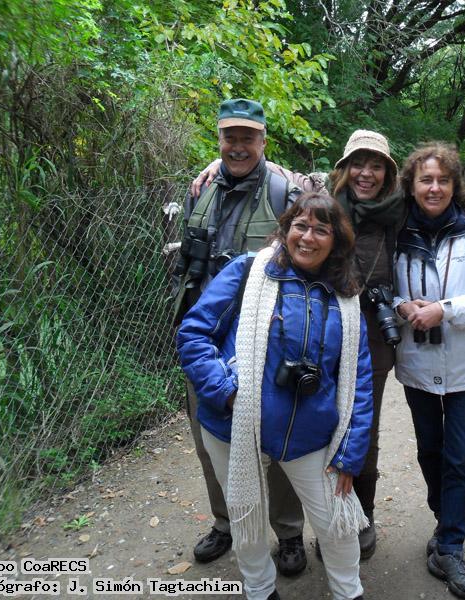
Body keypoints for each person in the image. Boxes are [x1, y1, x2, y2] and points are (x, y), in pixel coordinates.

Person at [189, 130, 465, 559]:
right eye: (358, 164)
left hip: (372, 336)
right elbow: (273, 173)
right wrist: (220, 164)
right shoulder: (323, 200)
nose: (366, 173)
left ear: (389, 173)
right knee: (307, 425)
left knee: (360, 430)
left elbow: (438, 200)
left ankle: (358, 517)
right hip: (314, 332)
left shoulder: (399, 211)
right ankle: (309, 522)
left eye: (376, 165)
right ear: (344, 168)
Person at [177, 193, 373, 600]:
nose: (308, 237)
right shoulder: (249, 272)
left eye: (321, 230)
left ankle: (348, 592)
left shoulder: (346, 299)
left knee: (336, 522)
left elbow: (359, 382)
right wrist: (227, 392)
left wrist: (350, 453)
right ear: (286, 229)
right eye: (301, 226)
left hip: (310, 432)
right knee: (247, 520)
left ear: (336, 240)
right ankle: (260, 590)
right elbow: (193, 335)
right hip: (233, 424)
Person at [171, 98, 308, 573]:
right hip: (207, 336)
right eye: (230, 137)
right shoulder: (201, 190)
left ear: (264, 140)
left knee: (278, 434)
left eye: (248, 137)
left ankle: (289, 533)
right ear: (219, 139)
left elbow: (314, 233)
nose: (238, 146)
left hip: (267, 337)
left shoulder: (285, 190)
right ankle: (225, 521)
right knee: (209, 435)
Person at [392, 142, 465, 599]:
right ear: (411, 186)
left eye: (443, 180)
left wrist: (444, 309)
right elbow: (385, 288)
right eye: (425, 180)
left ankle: (451, 545)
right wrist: (403, 306)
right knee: (429, 452)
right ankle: (444, 521)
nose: (434, 188)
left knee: (457, 457)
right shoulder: (396, 231)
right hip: (417, 364)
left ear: (456, 186)